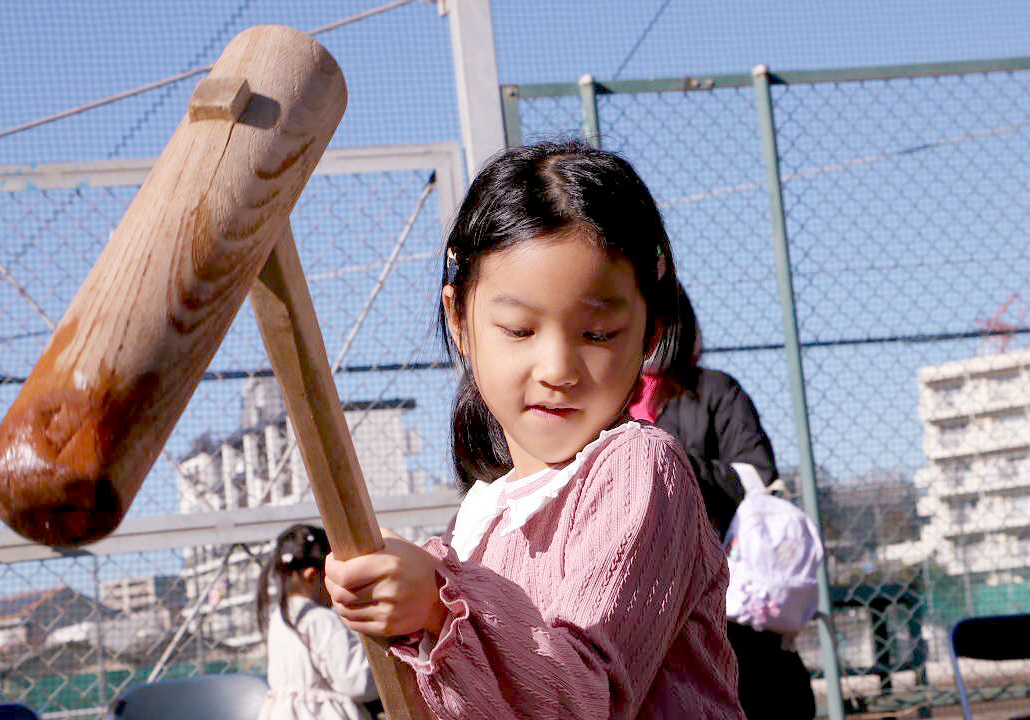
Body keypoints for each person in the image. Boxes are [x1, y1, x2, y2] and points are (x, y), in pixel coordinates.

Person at [322, 140, 743, 718]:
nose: (557, 369)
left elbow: (587, 698)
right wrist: (403, 616)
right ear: (459, 319)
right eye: (519, 330)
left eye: (598, 334)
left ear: (650, 331)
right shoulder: (479, 515)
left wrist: (440, 607)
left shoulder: (639, 468)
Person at [630, 288, 817, 719]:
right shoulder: (602, 400)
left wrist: (665, 458)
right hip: (637, 599)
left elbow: (756, 476)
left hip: (722, 596)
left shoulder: (713, 391)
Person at [255, 523, 378, 720]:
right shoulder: (321, 619)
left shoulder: (279, 618)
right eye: (333, 578)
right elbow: (356, 682)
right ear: (312, 576)